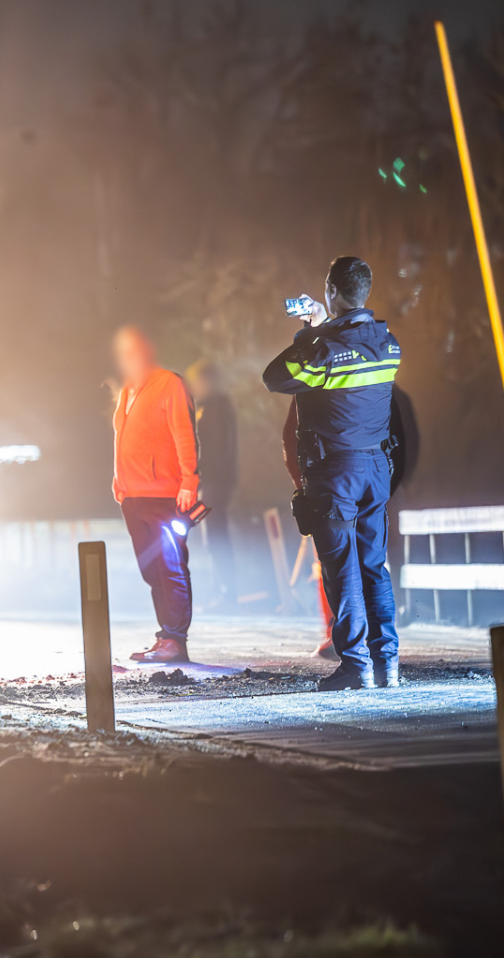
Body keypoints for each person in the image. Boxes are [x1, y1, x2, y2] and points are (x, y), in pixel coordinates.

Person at [262, 256, 401, 691]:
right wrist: (326, 327)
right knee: (374, 565)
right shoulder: (388, 343)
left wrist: (310, 330)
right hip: (377, 468)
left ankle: (355, 666)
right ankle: (387, 666)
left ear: (331, 292)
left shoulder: (323, 353)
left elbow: (275, 376)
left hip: (336, 471)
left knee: (341, 568)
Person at [110, 325, 200, 663]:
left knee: (170, 566)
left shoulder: (169, 384)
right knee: (152, 571)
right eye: (123, 351)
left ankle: (175, 640)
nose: (128, 357)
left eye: (133, 349)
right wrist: (118, 479)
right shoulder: (127, 391)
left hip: (165, 495)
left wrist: (189, 481)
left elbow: (184, 434)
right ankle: (166, 635)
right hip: (133, 497)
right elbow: (122, 439)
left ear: (147, 350)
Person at [183, 359, 237, 605]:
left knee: (214, 535)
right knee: (214, 534)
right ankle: (223, 591)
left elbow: (211, 449)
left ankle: (225, 592)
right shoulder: (217, 407)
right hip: (216, 480)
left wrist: (198, 475)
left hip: (213, 481)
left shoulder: (214, 409)